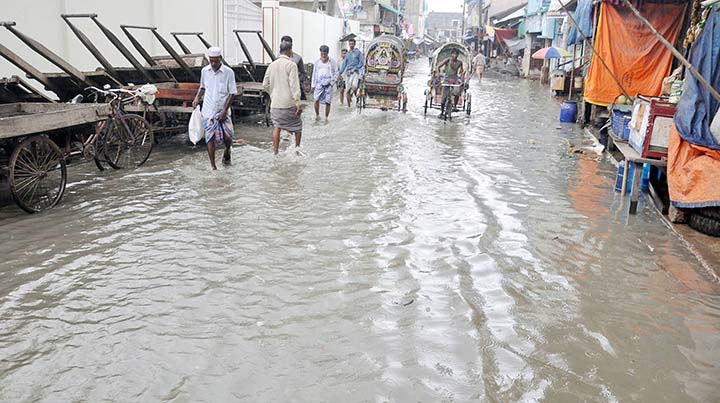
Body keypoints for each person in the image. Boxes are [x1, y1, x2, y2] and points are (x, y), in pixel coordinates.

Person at [192, 46, 237, 170]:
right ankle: (213, 166)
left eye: (216, 60)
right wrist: (197, 98)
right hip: (208, 110)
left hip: (223, 110)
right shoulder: (205, 71)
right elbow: (202, 87)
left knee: (228, 137)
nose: (213, 63)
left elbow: (232, 93)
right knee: (209, 137)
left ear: (220, 59)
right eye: (211, 60)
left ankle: (227, 150)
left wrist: (224, 111)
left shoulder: (228, 72)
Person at [263, 41, 303, 155]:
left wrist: (273, 94)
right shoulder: (291, 65)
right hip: (288, 104)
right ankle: (297, 150)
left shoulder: (272, 65)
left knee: (277, 126)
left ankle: (275, 153)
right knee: (298, 127)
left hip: (275, 104)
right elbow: (294, 86)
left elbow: (265, 84)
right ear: (290, 51)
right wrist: (298, 103)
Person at [311, 45, 339, 120]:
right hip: (318, 84)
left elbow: (336, 73)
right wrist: (313, 85)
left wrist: (332, 82)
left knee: (328, 101)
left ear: (327, 53)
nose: (323, 55)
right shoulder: (317, 62)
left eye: (325, 53)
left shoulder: (332, 62)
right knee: (316, 99)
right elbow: (314, 74)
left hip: (329, 84)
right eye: (322, 53)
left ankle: (326, 117)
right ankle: (317, 115)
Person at [435, 49, 464, 117]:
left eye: (456, 54)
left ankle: (454, 106)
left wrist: (462, 78)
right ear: (451, 54)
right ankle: (442, 112)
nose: (455, 56)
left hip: (455, 79)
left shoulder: (460, 62)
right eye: (453, 54)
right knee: (444, 97)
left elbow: (461, 72)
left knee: (457, 91)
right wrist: (438, 74)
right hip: (447, 79)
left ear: (458, 55)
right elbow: (438, 66)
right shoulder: (447, 60)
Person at [280, 35, 307, 100]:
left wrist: (297, 81)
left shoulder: (297, 58)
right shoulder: (278, 58)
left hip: (293, 88)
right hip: (281, 87)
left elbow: (303, 73)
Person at [338, 38, 364, 107]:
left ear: (355, 44)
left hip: (355, 73)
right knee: (347, 91)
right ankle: (349, 106)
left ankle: (357, 98)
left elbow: (361, 63)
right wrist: (339, 73)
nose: (351, 45)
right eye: (350, 44)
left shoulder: (358, 52)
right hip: (348, 73)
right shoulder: (348, 54)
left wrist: (355, 68)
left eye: (352, 44)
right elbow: (344, 64)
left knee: (354, 87)